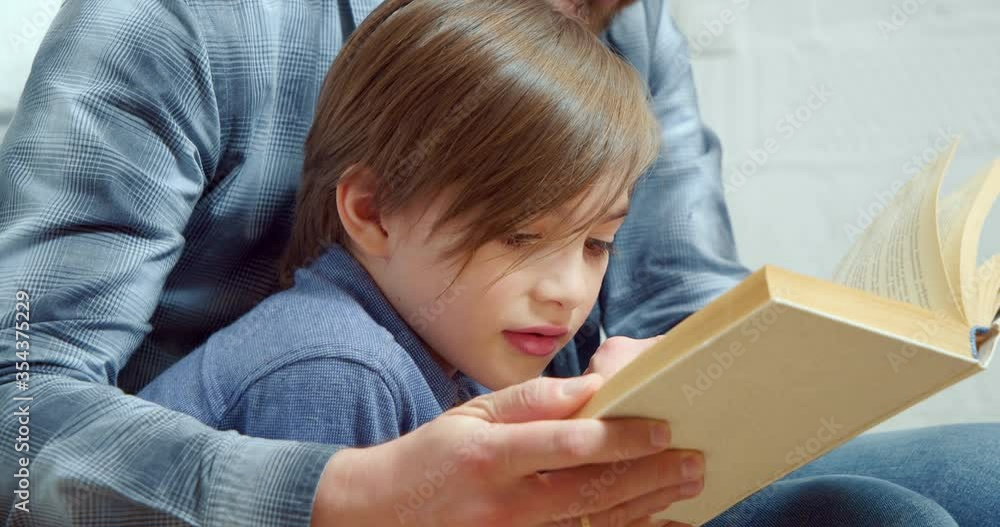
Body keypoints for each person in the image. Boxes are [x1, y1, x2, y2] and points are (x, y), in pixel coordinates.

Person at [1, 0, 997, 526]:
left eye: (594, 245)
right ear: (370, 208)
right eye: (522, 234)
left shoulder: (623, 17)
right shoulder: (329, 365)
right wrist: (345, 491)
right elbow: (18, 401)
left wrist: (687, 372)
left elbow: (677, 286)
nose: (570, 287)